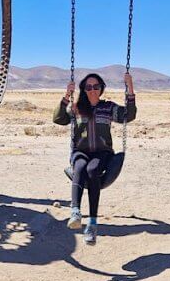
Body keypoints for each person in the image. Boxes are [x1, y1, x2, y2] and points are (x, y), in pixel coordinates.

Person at [52, 72, 136, 244]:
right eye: (88, 87)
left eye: (96, 87)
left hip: (102, 153)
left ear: (101, 89)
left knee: (92, 170)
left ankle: (92, 224)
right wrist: (67, 95)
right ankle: (75, 212)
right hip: (80, 151)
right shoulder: (76, 108)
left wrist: (130, 88)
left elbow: (129, 115)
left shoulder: (108, 108)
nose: (92, 90)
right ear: (83, 89)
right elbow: (58, 119)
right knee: (80, 166)